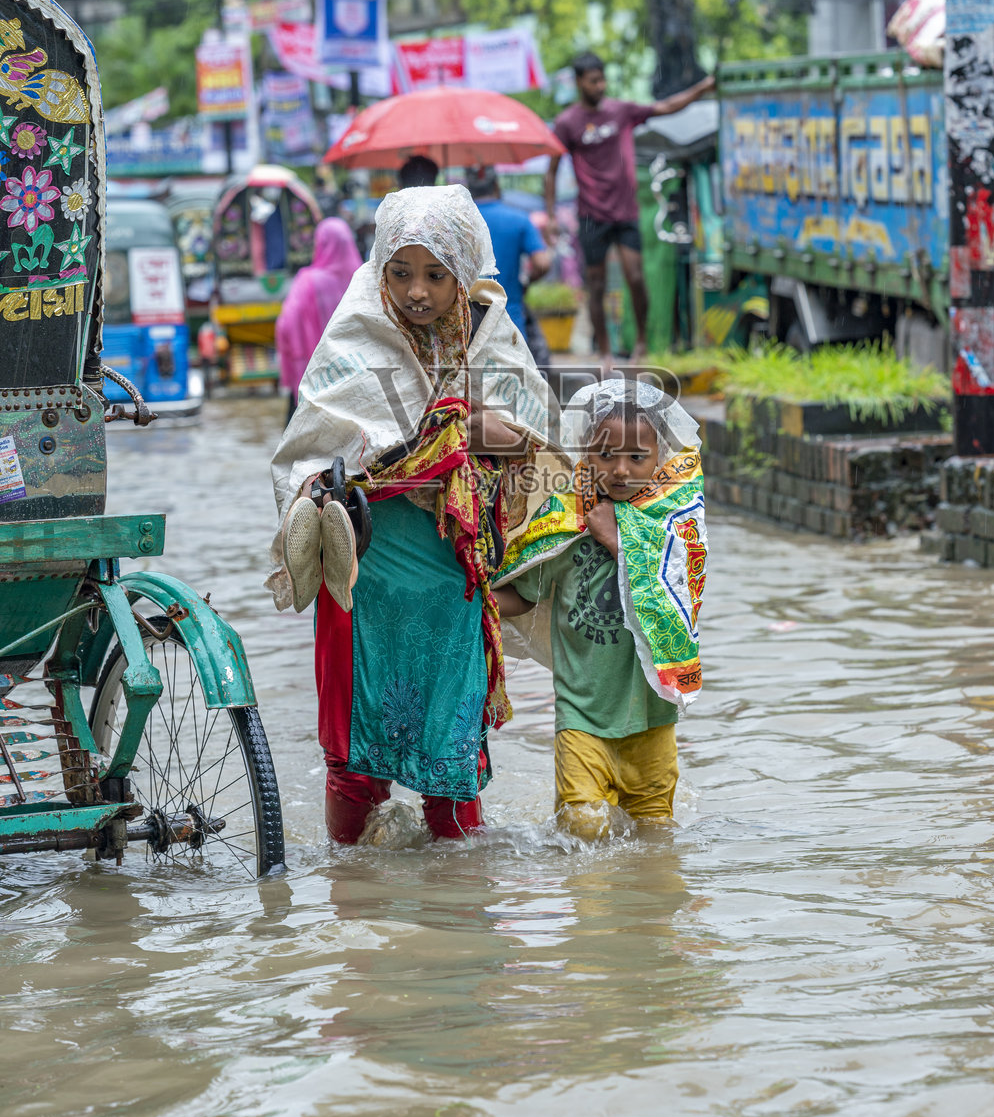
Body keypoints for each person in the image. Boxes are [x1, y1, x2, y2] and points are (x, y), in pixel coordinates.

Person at [268, 185, 560, 844]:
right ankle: (355, 895)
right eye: (400, 274)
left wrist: (481, 430)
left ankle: (461, 909)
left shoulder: (491, 339)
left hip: (450, 579)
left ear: (466, 272)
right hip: (364, 575)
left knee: (451, 758)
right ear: (378, 271)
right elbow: (307, 454)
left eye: (435, 274)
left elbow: (536, 443)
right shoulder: (354, 340)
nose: (417, 291)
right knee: (355, 758)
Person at [494, 379, 707, 840]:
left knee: (655, 844)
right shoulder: (563, 523)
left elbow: (673, 598)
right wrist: (475, 600)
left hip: (653, 720)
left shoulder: (672, 532)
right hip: (582, 718)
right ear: (585, 458)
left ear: (661, 460)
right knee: (582, 831)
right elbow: (524, 595)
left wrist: (615, 540)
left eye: (637, 457)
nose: (621, 470)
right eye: (606, 456)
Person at [548, 52, 716, 361]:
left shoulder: (620, 111)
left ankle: (641, 340)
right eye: (593, 80)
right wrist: (549, 216)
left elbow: (665, 107)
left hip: (625, 212)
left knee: (635, 278)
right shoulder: (567, 122)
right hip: (591, 215)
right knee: (595, 285)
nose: (600, 86)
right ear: (579, 82)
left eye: (602, 79)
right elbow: (552, 169)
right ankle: (606, 352)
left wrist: (702, 90)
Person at [275, 217, 361, 420]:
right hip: (357, 381)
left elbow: (286, 325)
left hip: (314, 380)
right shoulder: (363, 278)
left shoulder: (307, 283)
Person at [464, 164, 551, 339]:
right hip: (509, 320)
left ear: (468, 188)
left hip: (467, 321)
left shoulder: (461, 221)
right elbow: (543, 263)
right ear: (496, 185)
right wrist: (525, 282)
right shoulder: (519, 219)